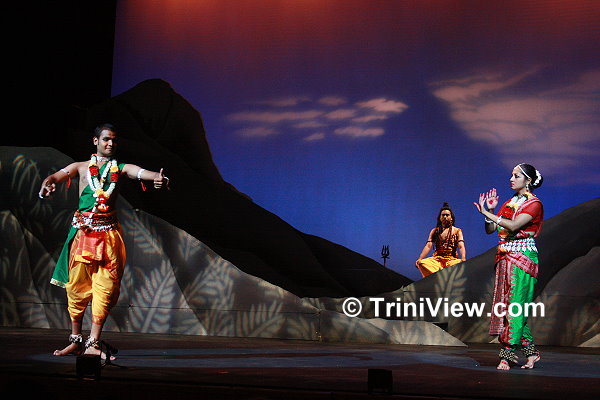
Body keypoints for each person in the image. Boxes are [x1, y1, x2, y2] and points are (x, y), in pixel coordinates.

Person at [39, 123, 170, 358]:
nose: (111, 143)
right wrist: (48, 183)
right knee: (76, 288)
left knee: (105, 288)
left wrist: (158, 177)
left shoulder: (120, 168)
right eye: (106, 139)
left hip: (108, 237)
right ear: (95, 141)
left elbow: (140, 172)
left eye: (114, 140)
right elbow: (57, 176)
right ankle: (76, 340)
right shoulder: (80, 167)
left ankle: (93, 343)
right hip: (83, 236)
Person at [473, 163, 543, 370]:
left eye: (516, 176)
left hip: (523, 258)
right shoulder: (509, 203)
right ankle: (531, 353)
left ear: (528, 180)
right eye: (511, 175)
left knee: (515, 307)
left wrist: (487, 212)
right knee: (508, 307)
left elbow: (512, 225)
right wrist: (491, 211)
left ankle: (507, 355)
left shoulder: (534, 204)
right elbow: (491, 229)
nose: (511, 179)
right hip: (505, 256)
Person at [415, 202, 466, 278]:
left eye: (447, 215)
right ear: (440, 217)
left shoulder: (457, 231)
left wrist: (463, 258)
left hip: (451, 261)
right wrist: (420, 258)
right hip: (437, 261)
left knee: (459, 264)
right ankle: (440, 274)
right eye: (443, 215)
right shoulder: (435, 231)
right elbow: (428, 246)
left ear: (451, 218)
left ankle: (441, 273)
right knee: (422, 263)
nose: (445, 217)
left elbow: (461, 246)